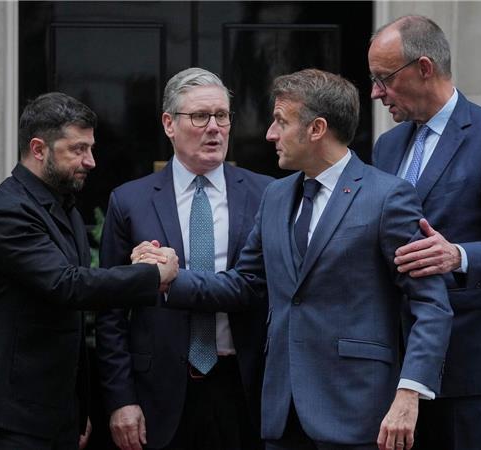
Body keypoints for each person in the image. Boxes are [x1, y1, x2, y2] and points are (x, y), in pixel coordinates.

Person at [151, 68, 452, 450]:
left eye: (280, 121)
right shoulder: (275, 197)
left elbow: (430, 304)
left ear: (316, 129)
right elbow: (245, 283)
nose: (269, 134)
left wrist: (410, 393)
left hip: (359, 413)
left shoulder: (387, 197)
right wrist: (168, 277)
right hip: (281, 412)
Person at [0, 92, 179, 450]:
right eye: (77, 149)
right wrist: (152, 275)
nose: (90, 161)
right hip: (7, 417)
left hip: (51, 413)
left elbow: (71, 301)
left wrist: (77, 409)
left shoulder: (64, 208)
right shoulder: (8, 212)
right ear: (39, 149)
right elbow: (66, 285)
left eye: (90, 148)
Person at [368, 16, 481, 450]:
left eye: (383, 78)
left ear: (424, 67)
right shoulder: (387, 145)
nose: (375, 92)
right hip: (399, 358)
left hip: (470, 360)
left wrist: (459, 257)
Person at [95, 68, 273, 450]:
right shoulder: (129, 201)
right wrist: (121, 399)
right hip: (157, 391)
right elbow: (110, 313)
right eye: (200, 116)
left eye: (222, 116)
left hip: (244, 388)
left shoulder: (267, 195)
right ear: (168, 124)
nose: (215, 128)